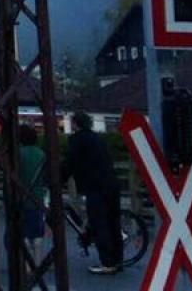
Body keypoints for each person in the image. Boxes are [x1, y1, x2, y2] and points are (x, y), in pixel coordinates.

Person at [61, 112, 123, 275]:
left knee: (99, 223)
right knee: (113, 223)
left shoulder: (77, 140)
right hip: (111, 183)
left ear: (75, 124)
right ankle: (117, 260)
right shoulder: (98, 139)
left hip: (95, 186)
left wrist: (59, 179)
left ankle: (107, 263)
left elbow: (70, 162)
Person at [17, 125, 47, 266]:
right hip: (38, 196)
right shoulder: (41, 153)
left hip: (21, 197)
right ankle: (38, 263)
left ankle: (27, 265)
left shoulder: (18, 153)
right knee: (37, 233)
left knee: (23, 232)